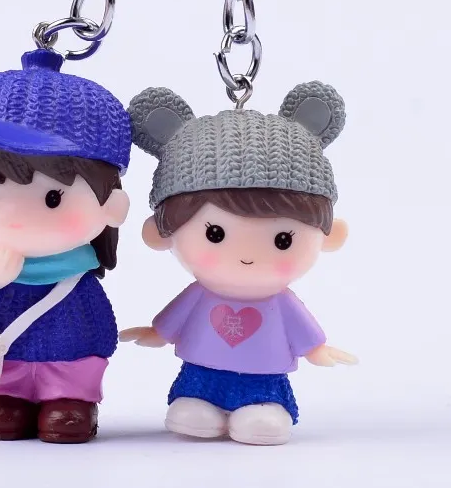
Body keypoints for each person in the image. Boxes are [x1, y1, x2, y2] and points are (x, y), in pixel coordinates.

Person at [0, 48, 131, 444]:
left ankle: (71, 401)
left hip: (69, 365)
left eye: (52, 198)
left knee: (67, 407)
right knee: (3, 405)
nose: (13, 216)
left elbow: (100, 327)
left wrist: (97, 349)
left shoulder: (77, 279)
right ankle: (9, 399)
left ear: (112, 206)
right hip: (9, 361)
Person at [120, 82, 356, 446]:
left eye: (283, 240)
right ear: (162, 233)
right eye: (215, 234)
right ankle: (197, 405)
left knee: (261, 411)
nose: (247, 256)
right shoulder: (201, 294)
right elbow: (175, 319)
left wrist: (316, 348)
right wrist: (158, 332)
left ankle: (264, 410)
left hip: (264, 377)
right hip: (201, 372)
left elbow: (302, 329)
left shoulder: (280, 302)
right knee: (194, 405)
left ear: (329, 235)